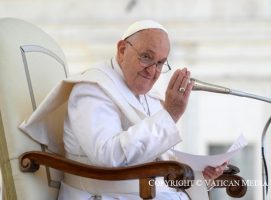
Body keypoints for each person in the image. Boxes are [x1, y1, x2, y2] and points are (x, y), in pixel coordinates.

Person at [20, 20, 227, 200]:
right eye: (146, 57)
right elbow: (107, 155)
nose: (153, 71)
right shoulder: (92, 88)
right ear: (121, 50)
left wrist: (200, 174)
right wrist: (170, 115)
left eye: (160, 63)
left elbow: (159, 161)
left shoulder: (151, 98)